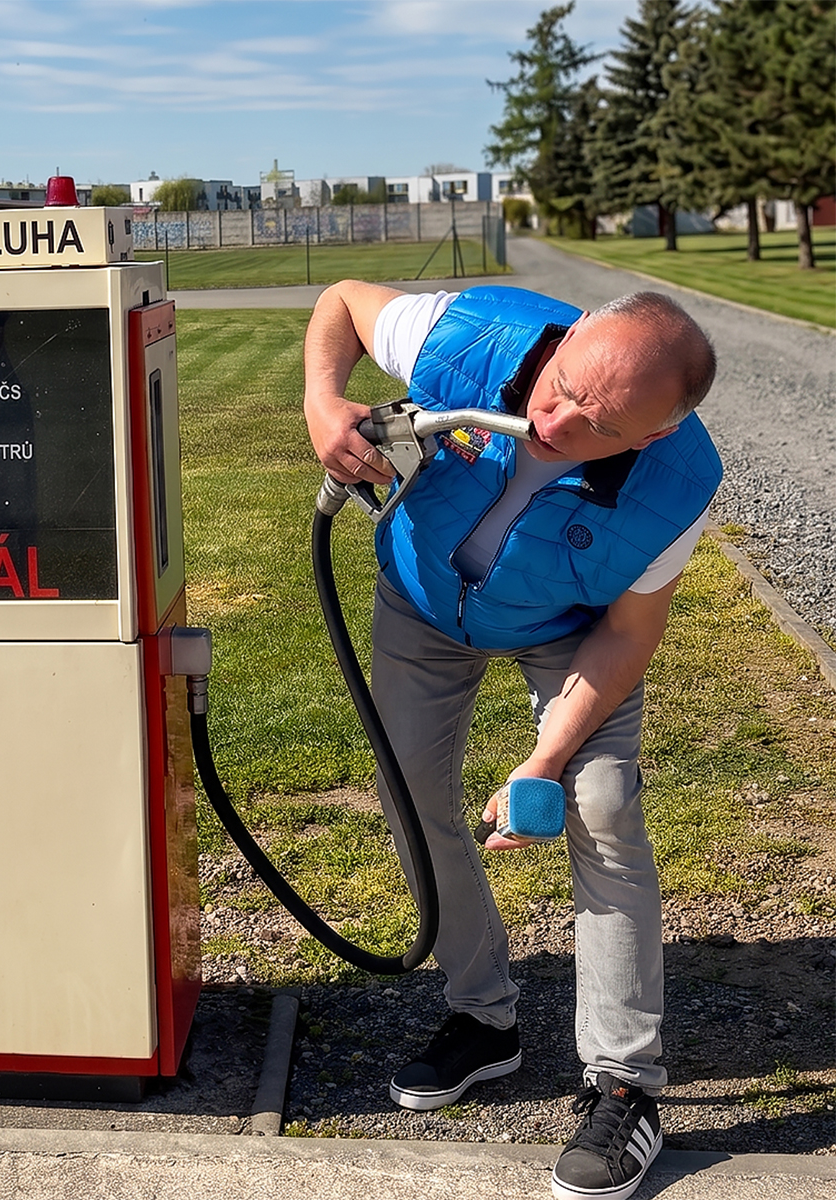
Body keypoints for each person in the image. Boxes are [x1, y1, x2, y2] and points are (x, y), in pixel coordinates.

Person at [303, 281, 721, 1200]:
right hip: (419, 599)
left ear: (650, 435)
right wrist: (323, 402)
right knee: (410, 796)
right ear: (568, 339)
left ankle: (624, 1085)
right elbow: (339, 303)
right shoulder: (466, 337)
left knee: (602, 804)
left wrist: (542, 761)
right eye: (561, 383)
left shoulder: (678, 486)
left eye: (595, 419)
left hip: (563, 627)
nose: (554, 416)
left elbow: (626, 634)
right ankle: (482, 1017)